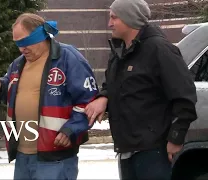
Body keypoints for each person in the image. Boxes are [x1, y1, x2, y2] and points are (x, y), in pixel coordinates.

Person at [84, 0, 198, 179]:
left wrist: (176, 138)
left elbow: (185, 97)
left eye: (114, 18)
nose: (109, 23)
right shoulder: (119, 52)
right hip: (127, 149)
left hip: (153, 151)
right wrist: (103, 97)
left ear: (130, 19)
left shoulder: (159, 49)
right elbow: (115, 85)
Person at [0, 13, 99, 180]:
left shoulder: (68, 58)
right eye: (17, 44)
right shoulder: (18, 63)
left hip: (55, 157)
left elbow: (88, 100)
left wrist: (71, 130)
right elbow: (11, 85)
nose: (21, 49)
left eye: (24, 42)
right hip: (23, 156)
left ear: (40, 35)